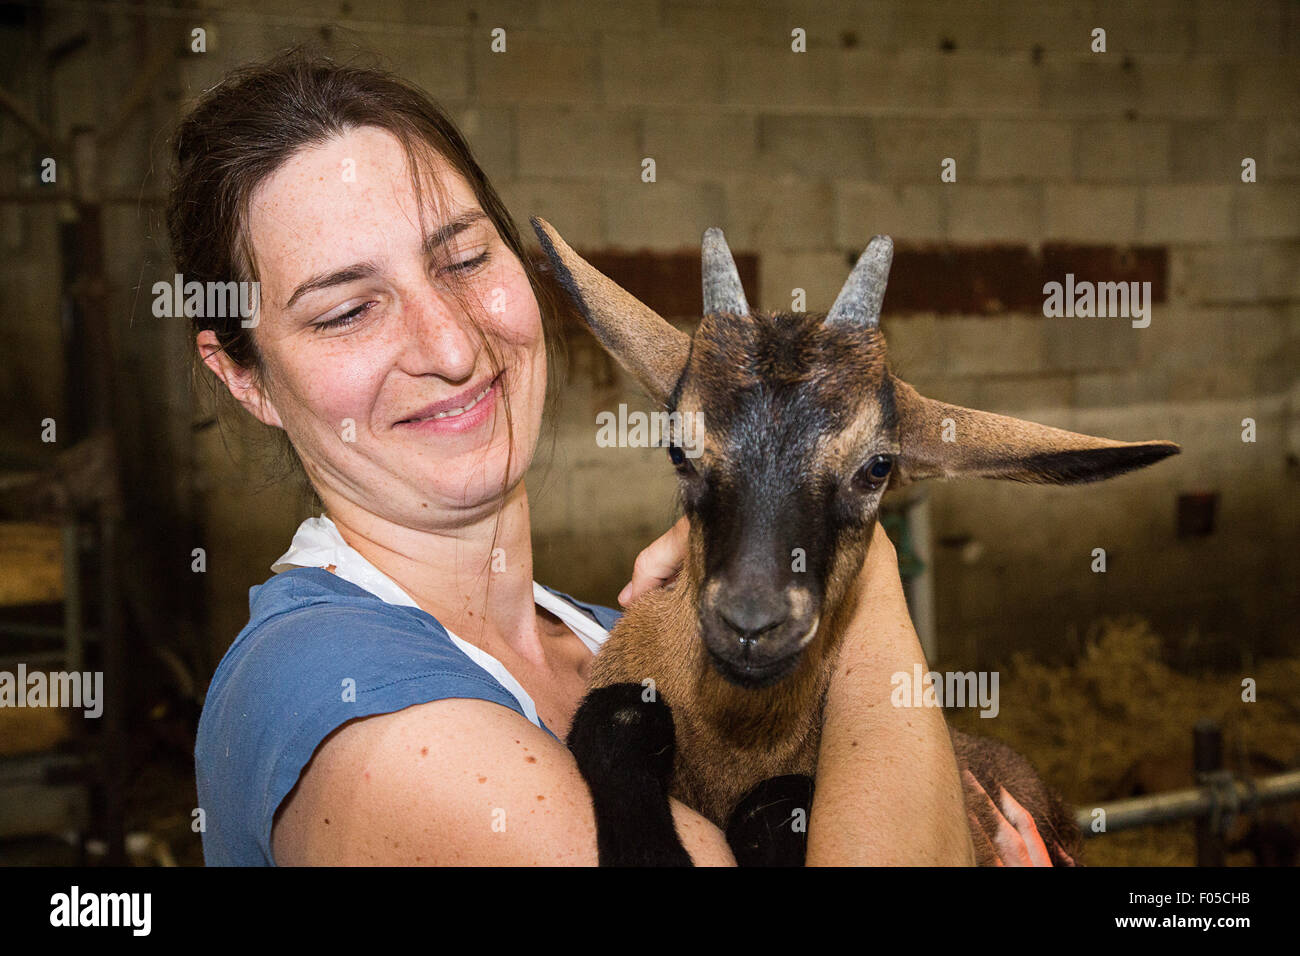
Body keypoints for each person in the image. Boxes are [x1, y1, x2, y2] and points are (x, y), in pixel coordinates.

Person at [178, 51, 1046, 866]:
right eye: (344, 312)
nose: (447, 344)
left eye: (466, 258)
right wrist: (859, 528)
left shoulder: (614, 637)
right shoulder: (339, 704)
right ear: (242, 376)